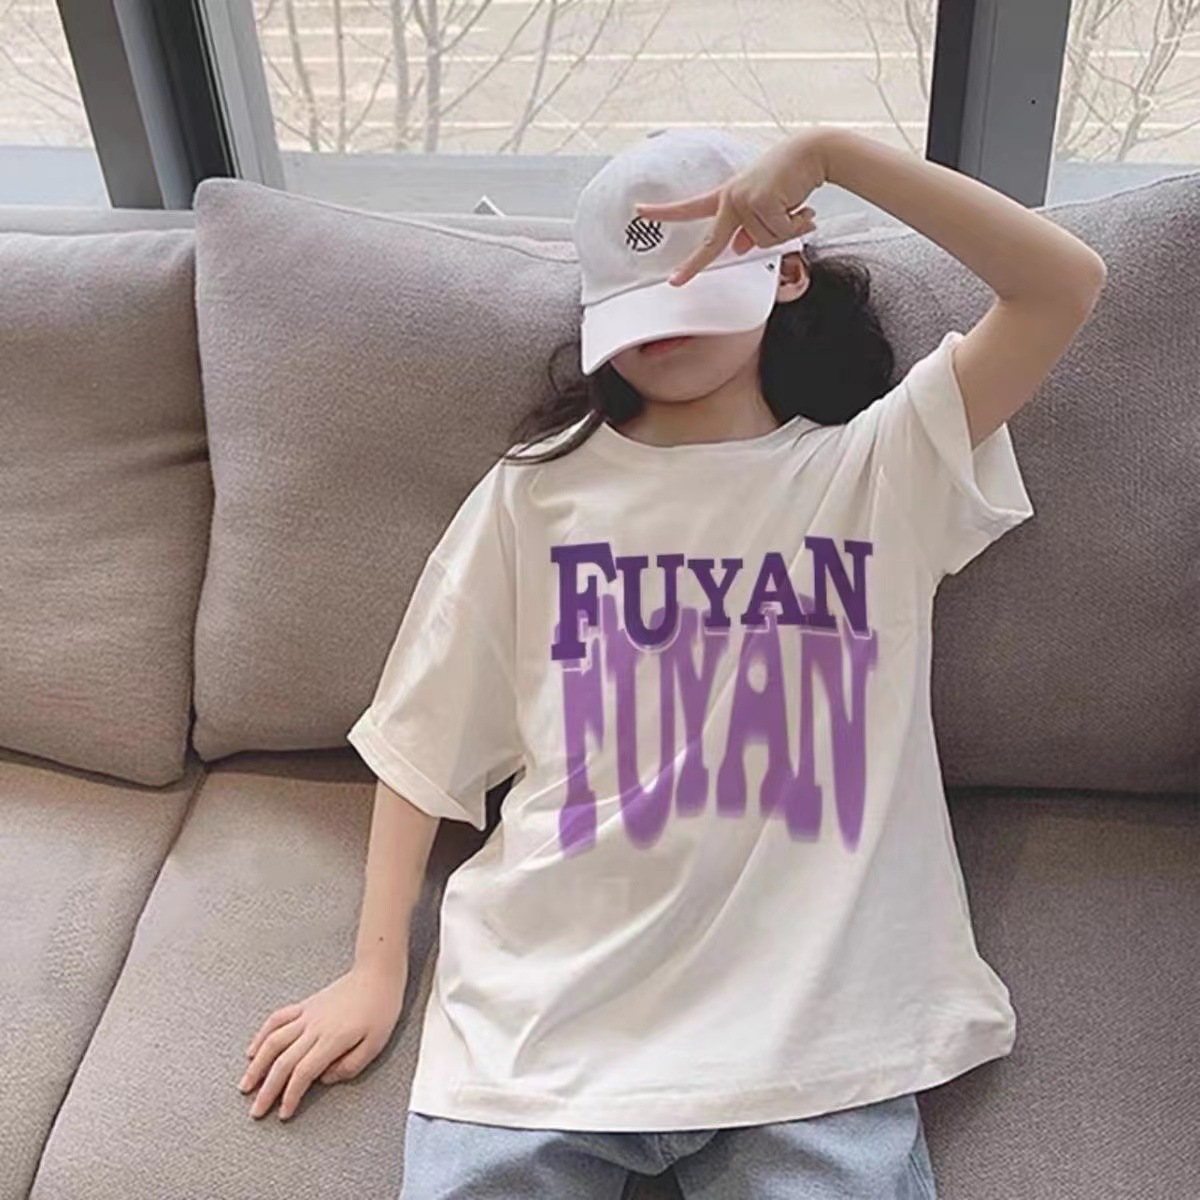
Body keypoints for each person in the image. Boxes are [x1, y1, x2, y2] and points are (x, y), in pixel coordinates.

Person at [237, 126, 1106, 1199]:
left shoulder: (879, 470)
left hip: (812, 1044)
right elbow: (422, 736)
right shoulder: (535, 493)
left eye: (700, 294)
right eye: (640, 310)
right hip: (540, 1032)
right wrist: (374, 969)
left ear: (788, 273)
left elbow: (1062, 285)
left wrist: (833, 155)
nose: (669, 332)